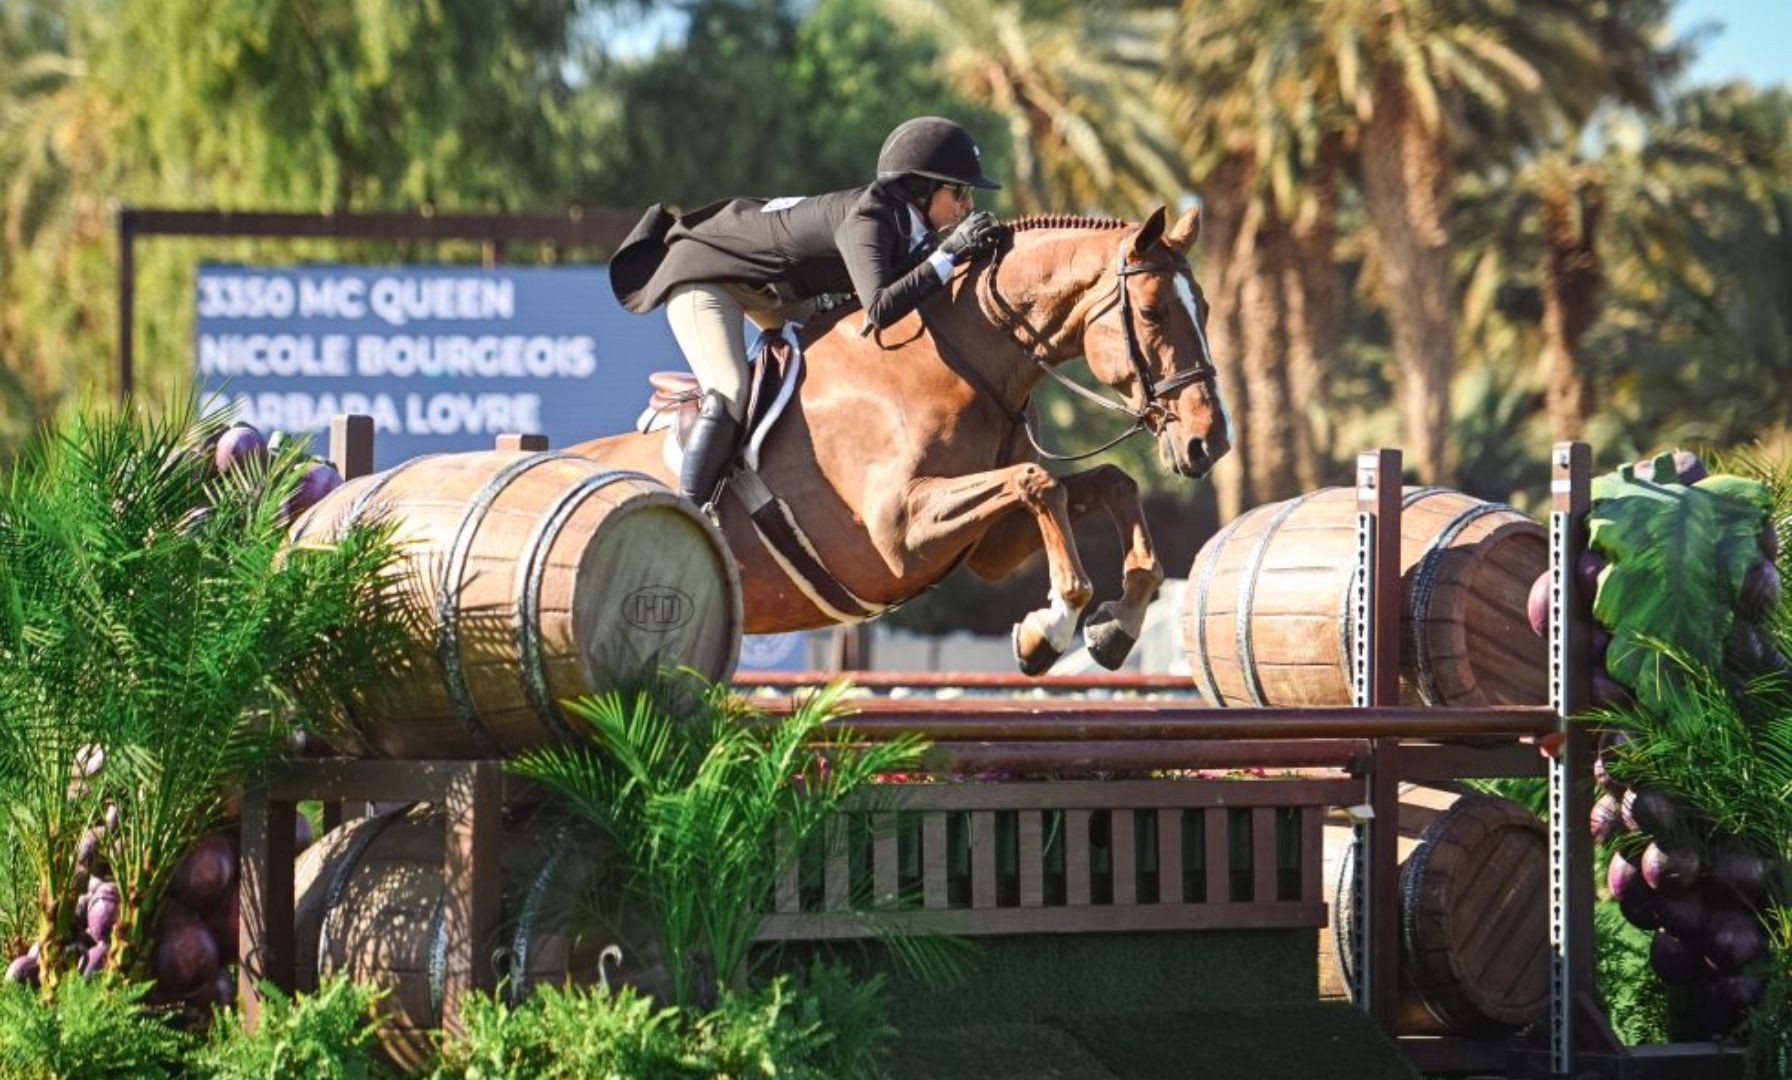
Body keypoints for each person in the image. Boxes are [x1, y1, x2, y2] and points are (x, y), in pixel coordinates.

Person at [609, 116, 1004, 506]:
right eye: (959, 192)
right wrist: (949, 253)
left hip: (775, 289)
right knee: (730, 389)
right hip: (705, 276)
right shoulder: (869, 218)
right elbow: (882, 308)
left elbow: (916, 284)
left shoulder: (907, 224)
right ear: (922, 187)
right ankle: (688, 512)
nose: (967, 205)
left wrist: (964, 253)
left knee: (841, 363)